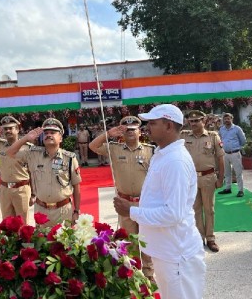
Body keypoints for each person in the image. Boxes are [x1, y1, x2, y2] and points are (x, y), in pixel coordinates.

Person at [113, 104, 205, 299]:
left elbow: (173, 214)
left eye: (153, 123)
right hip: (167, 251)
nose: (147, 128)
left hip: (176, 253)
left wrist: (132, 211)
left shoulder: (175, 161)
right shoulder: (162, 154)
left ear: (169, 126)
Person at [89, 115, 155, 279]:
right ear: (121, 133)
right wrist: (108, 133)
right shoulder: (114, 148)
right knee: (129, 240)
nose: (130, 132)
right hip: (125, 202)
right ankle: (133, 271)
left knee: (146, 239)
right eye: (126, 130)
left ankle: (148, 271)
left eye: (134, 129)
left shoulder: (150, 150)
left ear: (140, 132)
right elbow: (92, 146)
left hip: (145, 202)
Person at [6, 118, 81, 227]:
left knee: (64, 242)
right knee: (42, 242)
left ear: (60, 138)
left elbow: (76, 186)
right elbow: (9, 153)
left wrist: (76, 211)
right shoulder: (33, 155)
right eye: (46, 133)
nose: (49, 135)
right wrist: (25, 138)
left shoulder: (69, 158)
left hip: (63, 211)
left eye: (53, 133)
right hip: (41, 211)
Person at [180, 110, 224, 253]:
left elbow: (220, 158)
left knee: (209, 209)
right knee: (195, 210)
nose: (193, 123)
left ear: (203, 121)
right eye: (191, 121)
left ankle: (210, 238)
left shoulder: (213, 136)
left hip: (208, 177)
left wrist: (221, 179)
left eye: (196, 121)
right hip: (190, 179)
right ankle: (199, 237)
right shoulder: (184, 136)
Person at [0, 116, 33, 223]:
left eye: (11, 128)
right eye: (5, 129)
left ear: (17, 129)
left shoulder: (27, 148)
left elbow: (32, 173)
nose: (8, 131)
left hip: (21, 189)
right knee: (7, 223)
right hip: (5, 189)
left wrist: (34, 194)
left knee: (22, 223)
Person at [218, 113, 247, 197]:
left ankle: (240, 190)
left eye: (228, 119)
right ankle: (228, 188)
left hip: (235, 153)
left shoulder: (237, 129)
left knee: (238, 172)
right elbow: (220, 139)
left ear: (232, 119)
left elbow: (243, 140)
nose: (227, 120)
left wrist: (237, 147)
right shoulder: (222, 129)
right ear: (223, 120)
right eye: (225, 119)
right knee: (226, 172)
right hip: (225, 153)